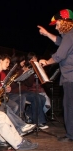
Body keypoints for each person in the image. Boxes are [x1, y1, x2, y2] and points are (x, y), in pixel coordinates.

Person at [38, 9, 73, 142]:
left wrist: (47, 62)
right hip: (69, 77)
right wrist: (47, 34)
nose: (56, 26)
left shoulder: (70, 35)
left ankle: (71, 135)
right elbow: (59, 41)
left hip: (71, 77)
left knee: (69, 106)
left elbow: (60, 55)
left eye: (57, 23)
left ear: (63, 22)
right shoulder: (68, 36)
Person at [10, 53, 48, 129]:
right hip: (16, 92)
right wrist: (22, 72)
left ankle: (29, 114)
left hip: (24, 91)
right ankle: (38, 122)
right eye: (22, 62)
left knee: (42, 98)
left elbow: (29, 83)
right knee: (35, 98)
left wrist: (28, 73)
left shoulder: (23, 69)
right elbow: (13, 85)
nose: (23, 63)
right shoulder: (13, 70)